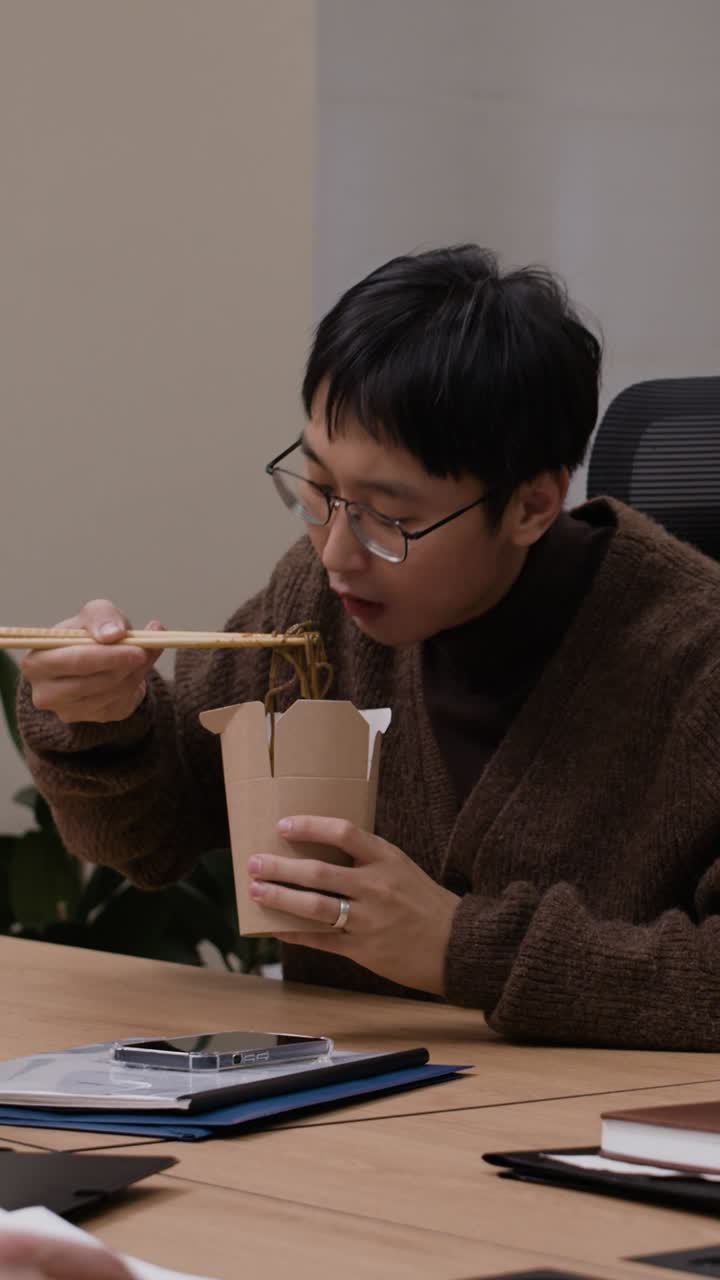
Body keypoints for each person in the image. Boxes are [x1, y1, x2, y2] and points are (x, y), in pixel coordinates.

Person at [17, 245, 720, 1049]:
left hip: (592, 1144)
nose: (335, 551)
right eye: (316, 489)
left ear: (532, 504)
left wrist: (463, 950)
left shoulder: (696, 662)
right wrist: (108, 718)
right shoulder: (318, 603)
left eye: (390, 516)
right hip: (340, 1128)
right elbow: (153, 833)